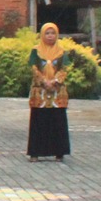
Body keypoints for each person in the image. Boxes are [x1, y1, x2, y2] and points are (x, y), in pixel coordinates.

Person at [26, 23, 72, 161]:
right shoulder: (36, 51)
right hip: (40, 91)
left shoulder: (62, 52)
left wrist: (55, 81)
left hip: (57, 92)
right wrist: (43, 81)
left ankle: (59, 152)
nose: (50, 36)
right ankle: (35, 153)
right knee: (39, 121)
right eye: (47, 33)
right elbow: (33, 68)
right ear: (42, 35)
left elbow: (65, 69)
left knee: (57, 121)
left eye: (53, 33)